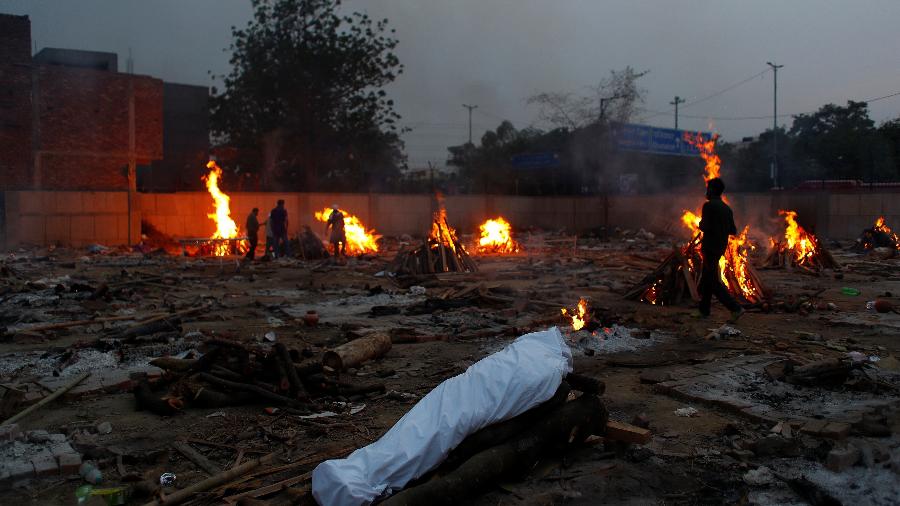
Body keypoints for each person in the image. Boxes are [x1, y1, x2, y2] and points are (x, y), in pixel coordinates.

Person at [698, 178, 745, 322]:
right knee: (706, 277)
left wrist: (703, 225)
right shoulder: (727, 208)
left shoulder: (709, 206)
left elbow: (704, 226)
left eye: (708, 188)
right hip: (720, 248)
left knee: (712, 281)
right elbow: (733, 230)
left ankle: (735, 308)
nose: (706, 191)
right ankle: (704, 311)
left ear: (711, 190)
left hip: (710, 248)